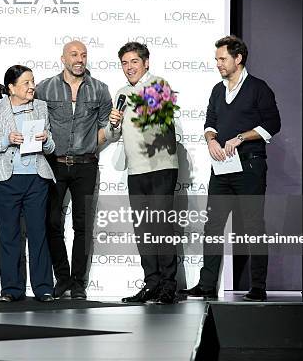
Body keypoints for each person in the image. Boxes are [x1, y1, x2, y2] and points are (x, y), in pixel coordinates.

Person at [178, 35, 281, 302]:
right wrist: (211, 139)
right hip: (221, 168)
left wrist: (242, 137)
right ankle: (207, 283)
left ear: (238, 58)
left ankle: (258, 286)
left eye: (222, 59)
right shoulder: (216, 89)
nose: (218, 64)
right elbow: (209, 121)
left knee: (253, 226)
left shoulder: (259, 88)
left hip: (250, 166)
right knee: (212, 226)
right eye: (216, 59)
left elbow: (273, 124)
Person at [35, 40, 112, 299]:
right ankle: (63, 277)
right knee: (52, 222)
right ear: (63, 58)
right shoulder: (45, 88)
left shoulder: (100, 89)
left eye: (84, 55)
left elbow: (106, 127)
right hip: (53, 164)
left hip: (86, 166)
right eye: (74, 54)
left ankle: (79, 283)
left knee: (82, 226)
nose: (80, 59)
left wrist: (89, 144)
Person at [106, 42, 179, 304]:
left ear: (146, 63)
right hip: (136, 170)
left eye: (134, 62)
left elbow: (161, 122)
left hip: (160, 167)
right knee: (144, 230)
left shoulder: (159, 84)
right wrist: (113, 124)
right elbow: (116, 135)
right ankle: (152, 283)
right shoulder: (122, 93)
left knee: (161, 227)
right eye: (124, 63)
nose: (129, 68)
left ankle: (169, 285)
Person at [0, 65, 56, 303]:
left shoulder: (41, 107)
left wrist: (45, 141)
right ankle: (11, 289)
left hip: (36, 178)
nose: (32, 86)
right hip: (6, 178)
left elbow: (51, 147)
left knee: (38, 234)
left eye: (32, 81)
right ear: (11, 88)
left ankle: (44, 288)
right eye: (26, 83)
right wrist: (7, 139)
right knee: (8, 234)